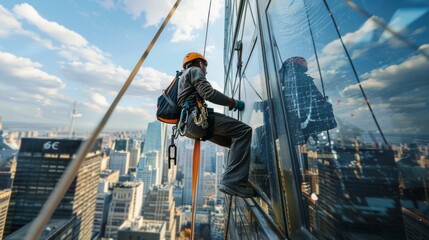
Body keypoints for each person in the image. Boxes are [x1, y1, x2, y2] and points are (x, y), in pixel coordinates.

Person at [177, 52, 255, 198]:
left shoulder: (182, 77)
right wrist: (233, 102)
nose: (205, 71)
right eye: (205, 67)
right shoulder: (195, 71)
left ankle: (240, 175)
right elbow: (208, 93)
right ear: (200, 64)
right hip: (197, 119)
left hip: (188, 127)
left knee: (235, 142)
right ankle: (233, 182)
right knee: (244, 131)